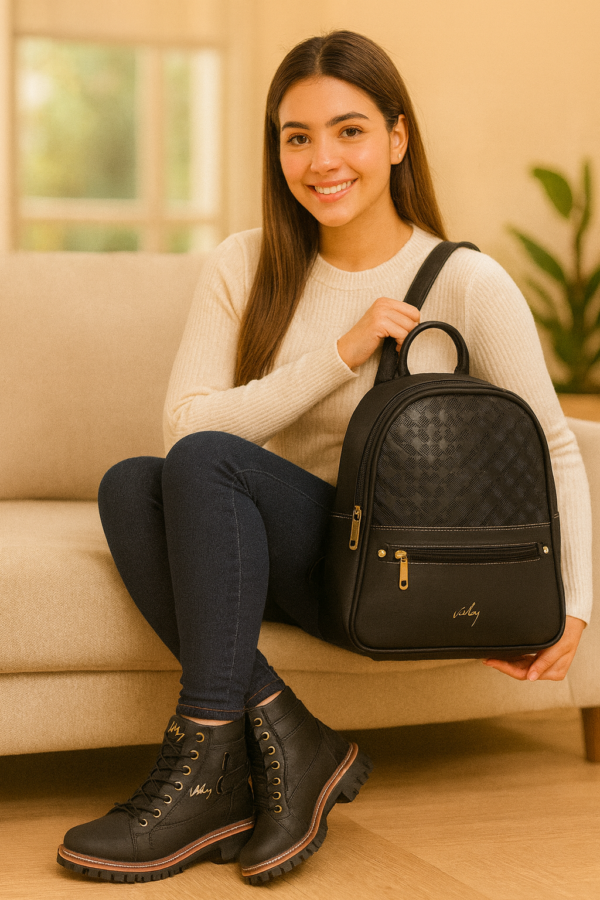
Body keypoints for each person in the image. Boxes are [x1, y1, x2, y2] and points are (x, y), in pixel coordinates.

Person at [56, 29, 592, 886]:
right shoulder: (247, 263)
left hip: (402, 578)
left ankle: (210, 763)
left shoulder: (465, 281)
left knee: (201, 463)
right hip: (301, 559)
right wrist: (341, 352)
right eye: (296, 137)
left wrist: (576, 605)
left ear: (397, 138)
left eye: (349, 130)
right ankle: (284, 738)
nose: (321, 160)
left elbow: (553, 442)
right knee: (136, 483)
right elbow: (184, 424)